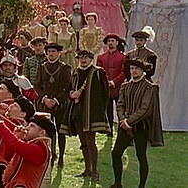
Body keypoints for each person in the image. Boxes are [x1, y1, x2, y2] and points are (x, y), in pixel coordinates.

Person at [110, 59, 164, 188]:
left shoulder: (149, 87)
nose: (133, 71)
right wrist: (123, 120)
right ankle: (117, 184)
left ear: (142, 71)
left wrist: (129, 122)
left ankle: (141, 186)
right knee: (116, 153)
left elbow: (145, 109)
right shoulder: (125, 86)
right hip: (124, 126)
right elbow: (120, 105)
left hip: (140, 126)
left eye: (136, 69)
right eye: (132, 68)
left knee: (141, 156)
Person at [60, 49, 110, 182]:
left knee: (90, 142)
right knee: (83, 142)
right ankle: (87, 169)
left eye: (85, 58)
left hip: (91, 113)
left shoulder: (98, 72)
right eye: (80, 58)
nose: (83, 60)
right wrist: (72, 94)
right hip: (77, 112)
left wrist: (100, 110)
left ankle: (95, 171)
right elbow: (69, 88)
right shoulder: (75, 72)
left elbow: (105, 93)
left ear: (91, 59)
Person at [0, 109, 54, 188]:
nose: (27, 128)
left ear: (42, 133)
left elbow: (16, 144)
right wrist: (18, 137)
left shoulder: (41, 149)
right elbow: (8, 157)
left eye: (32, 126)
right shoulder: (31, 146)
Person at [34, 42, 72, 167]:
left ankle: (61, 157)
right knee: (47, 130)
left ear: (59, 53)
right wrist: (44, 98)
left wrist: (56, 100)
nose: (51, 54)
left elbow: (68, 87)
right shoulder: (42, 67)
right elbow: (37, 85)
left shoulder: (65, 68)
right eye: (49, 51)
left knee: (61, 130)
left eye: (53, 51)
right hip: (45, 103)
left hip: (59, 103)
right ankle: (50, 154)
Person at [97, 33, 126, 136]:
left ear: (117, 43)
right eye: (109, 41)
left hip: (119, 87)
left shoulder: (123, 57)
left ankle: (122, 131)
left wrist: (114, 82)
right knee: (108, 110)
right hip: (106, 88)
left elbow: (124, 72)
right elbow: (99, 71)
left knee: (121, 110)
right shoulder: (101, 57)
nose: (110, 43)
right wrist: (105, 82)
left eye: (112, 41)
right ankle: (109, 130)